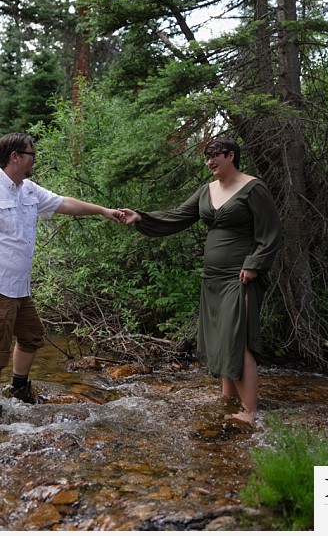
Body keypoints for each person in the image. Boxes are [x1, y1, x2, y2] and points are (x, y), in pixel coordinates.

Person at [0, 133, 123, 422]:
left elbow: (64, 204)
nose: (35, 159)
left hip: (19, 287)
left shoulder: (27, 189)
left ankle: (19, 389)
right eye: (32, 154)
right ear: (15, 157)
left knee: (32, 336)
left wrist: (104, 211)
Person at [117, 138, 281, 423]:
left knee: (237, 339)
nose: (209, 162)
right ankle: (228, 397)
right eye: (206, 158)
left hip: (239, 277)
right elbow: (177, 216)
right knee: (220, 337)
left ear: (231, 156)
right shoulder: (206, 191)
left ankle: (250, 412)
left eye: (214, 156)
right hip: (213, 277)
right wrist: (140, 217)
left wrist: (254, 264)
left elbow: (271, 231)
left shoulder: (253, 188)